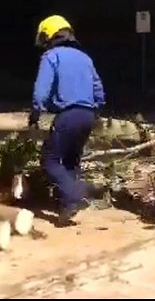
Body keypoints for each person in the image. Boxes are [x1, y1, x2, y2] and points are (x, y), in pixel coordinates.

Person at [28, 15, 106, 227]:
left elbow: (41, 90)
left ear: (50, 35)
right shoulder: (85, 58)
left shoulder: (51, 57)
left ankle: (78, 193)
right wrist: (96, 109)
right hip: (88, 114)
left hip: (68, 114)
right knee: (71, 160)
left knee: (50, 160)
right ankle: (67, 207)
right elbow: (98, 89)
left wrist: (36, 112)